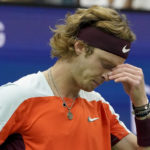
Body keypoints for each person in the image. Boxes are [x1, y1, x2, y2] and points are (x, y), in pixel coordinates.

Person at [0, 5, 150, 150]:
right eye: (105, 64)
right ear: (80, 47)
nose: (108, 75)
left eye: (114, 68)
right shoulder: (17, 97)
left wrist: (141, 102)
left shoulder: (99, 106)